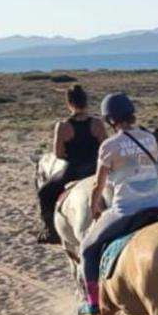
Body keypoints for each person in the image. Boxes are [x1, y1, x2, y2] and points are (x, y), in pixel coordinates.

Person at [77, 93, 158, 315]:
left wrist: (95, 207)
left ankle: (93, 305)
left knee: (87, 249)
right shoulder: (150, 138)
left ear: (110, 119)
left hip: (126, 209)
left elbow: (99, 185)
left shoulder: (110, 146)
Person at [36, 84, 107, 243]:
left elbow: (58, 153)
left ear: (69, 103)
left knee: (44, 193)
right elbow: (104, 147)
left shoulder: (62, 126)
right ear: (86, 102)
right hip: (95, 170)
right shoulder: (97, 123)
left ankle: (51, 230)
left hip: (72, 171)